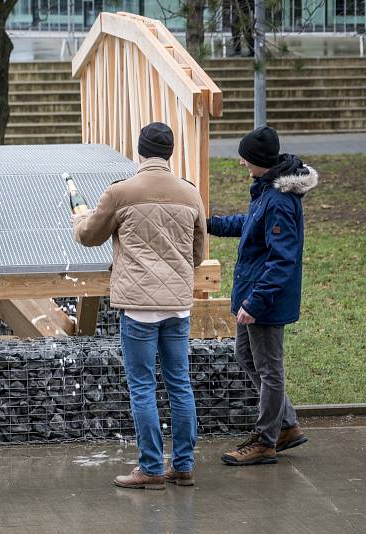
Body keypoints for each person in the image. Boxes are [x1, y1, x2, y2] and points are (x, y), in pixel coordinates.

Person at [72, 122, 207, 490]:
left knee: (143, 386)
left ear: (140, 150)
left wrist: (78, 220)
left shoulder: (121, 192)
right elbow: (198, 253)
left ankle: (150, 467)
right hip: (177, 305)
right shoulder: (190, 194)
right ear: (170, 152)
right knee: (180, 384)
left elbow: (88, 236)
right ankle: (182, 465)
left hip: (138, 307)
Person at [208, 126, 316, 466]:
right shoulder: (267, 190)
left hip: (264, 300)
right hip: (252, 294)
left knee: (269, 368)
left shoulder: (280, 200)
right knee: (246, 357)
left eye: (245, 157)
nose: (240, 162)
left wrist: (256, 303)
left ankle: (266, 440)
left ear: (259, 161)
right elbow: (250, 222)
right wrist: (212, 223)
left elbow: (282, 260)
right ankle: (286, 425)